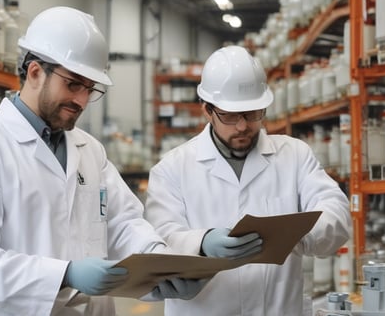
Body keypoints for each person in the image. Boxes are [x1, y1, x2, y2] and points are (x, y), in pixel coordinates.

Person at [0, 6, 205, 315]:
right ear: (35, 72)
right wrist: (64, 275)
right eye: (73, 84)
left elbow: (123, 223)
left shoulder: (90, 150)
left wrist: (161, 262)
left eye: (90, 88)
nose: (82, 100)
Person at [144, 45, 352, 315]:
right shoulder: (172, 169)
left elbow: (337, 213)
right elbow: (159, 241)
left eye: (252, 113)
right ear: (207, 110)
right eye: (229, 115)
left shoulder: (294, 155)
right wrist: (202, 243)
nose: (242, 126)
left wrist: (295, 234)